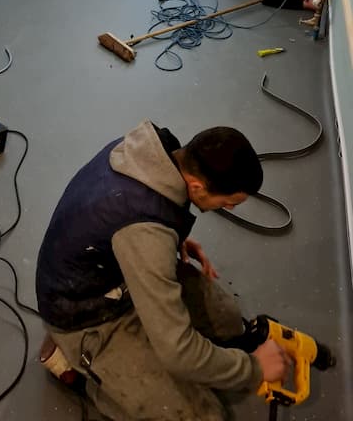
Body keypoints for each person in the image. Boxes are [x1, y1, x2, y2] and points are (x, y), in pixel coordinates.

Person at [36, 120, 291, 421]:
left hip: (113, 272)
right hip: (86, 314)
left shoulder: (159, 152)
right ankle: (79, 366)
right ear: (197, 186)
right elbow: (179, 352)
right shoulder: (145, 234)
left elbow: (142, 213)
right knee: (203, 416)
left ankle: (141, 343)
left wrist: (174, 235)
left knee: (228, 321)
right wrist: (255, 370)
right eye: (230, 202)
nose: (230, 208)